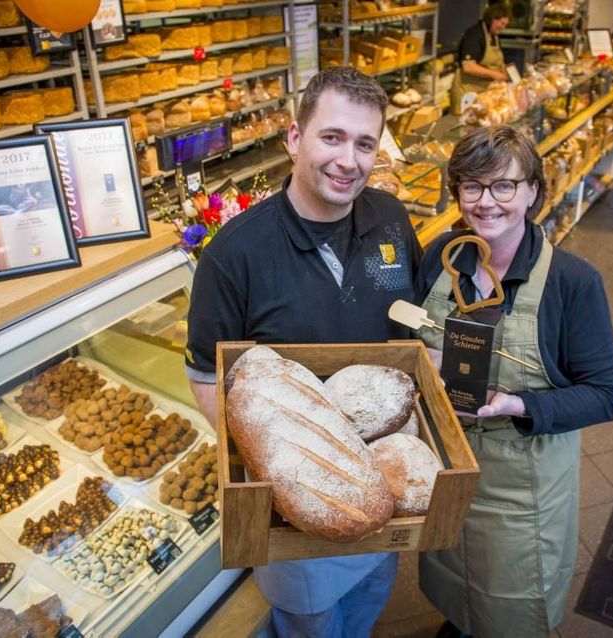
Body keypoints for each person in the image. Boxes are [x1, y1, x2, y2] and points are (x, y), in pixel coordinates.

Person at [184, 66, 422, 637]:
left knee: (368, 604)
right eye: (332, 137)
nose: (349, 160)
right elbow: (205, 378)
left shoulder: (390, 218)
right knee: (310, 621)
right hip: (299, 503)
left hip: (377, 483)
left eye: (365, 143)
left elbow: (409, 334)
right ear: (294, 138)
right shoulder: (234, 254)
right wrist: (284, 472)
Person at [414, 125, 613, 637]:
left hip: (520, 485)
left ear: (532, 191)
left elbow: (605, 395)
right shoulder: (441, 258)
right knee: (451, 571)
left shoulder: (572, 283)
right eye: (472, 186)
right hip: (445, 464)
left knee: (509, 600)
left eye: (504, 186)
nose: (487, 202)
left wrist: (514, 403)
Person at [450, 2, 511, 114]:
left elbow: (498, 61)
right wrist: (496, 75)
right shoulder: (474, 35)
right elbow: (469, 67)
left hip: (484, 93)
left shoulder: (494, 35)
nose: (503, 27)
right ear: (492, 18)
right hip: (467, 92)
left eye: (505, 25)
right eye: (501, 23)